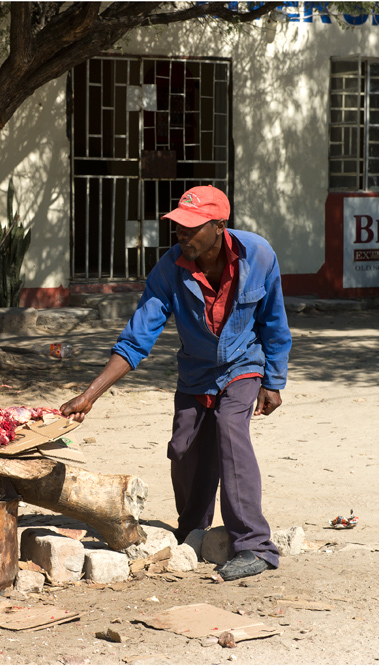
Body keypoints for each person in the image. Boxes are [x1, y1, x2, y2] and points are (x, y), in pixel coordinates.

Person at [61, 185, 291, 582]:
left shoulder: (259, 256)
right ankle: (195, 531)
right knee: (184, 451)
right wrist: (89, 395)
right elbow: (135, 341)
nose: (181, 235)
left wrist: (273, 379)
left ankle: (255, 545)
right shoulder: (169, 270)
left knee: (230, 430)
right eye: (178, 228)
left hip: (243, 364)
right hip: (195, 372)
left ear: (219, 226)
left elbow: (274, 322)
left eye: (190, 228)